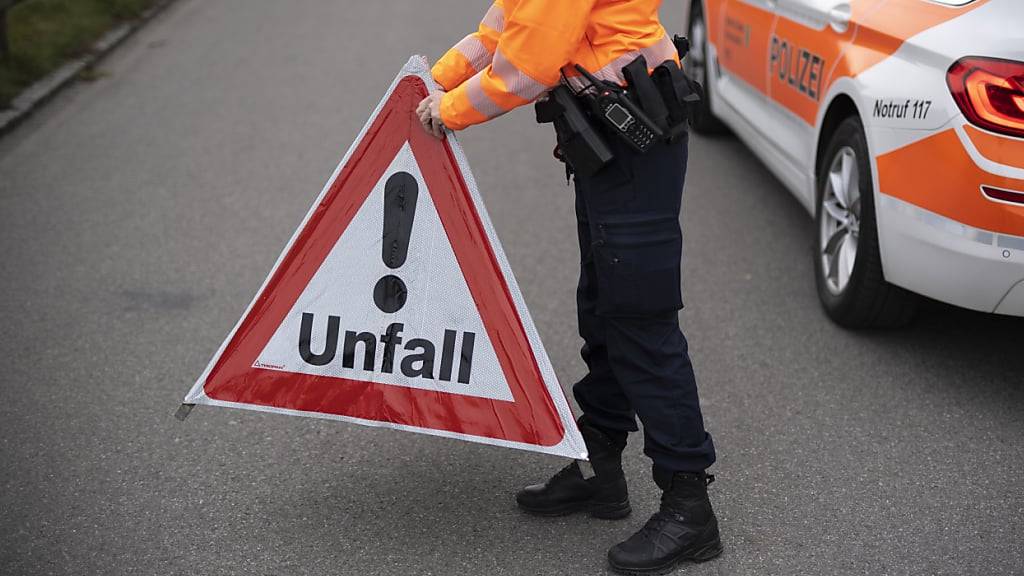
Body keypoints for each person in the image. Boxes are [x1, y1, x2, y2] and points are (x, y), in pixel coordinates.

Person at [416, 1, 721, 573]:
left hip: (634, 138)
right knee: (604, 310)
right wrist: (431, 79)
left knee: (640, 323)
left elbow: (525, 68)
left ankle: (690, 506)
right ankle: (599, 470)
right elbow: (500, 30)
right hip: (610, 138)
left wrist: (447, 109)